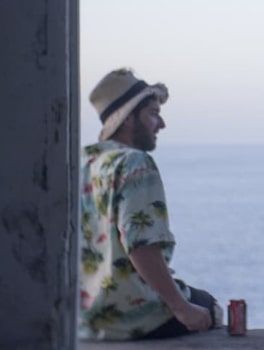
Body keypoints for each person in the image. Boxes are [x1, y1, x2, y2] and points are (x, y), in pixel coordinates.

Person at [78, 68, 222, 340]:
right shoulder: (135, 163)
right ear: (129, 119)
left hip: (85, 319)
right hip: (131, 317)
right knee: (209, 308)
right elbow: (140, 244)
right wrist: (181, 309)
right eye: (153, 114)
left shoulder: (83, 161)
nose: (162, 124)